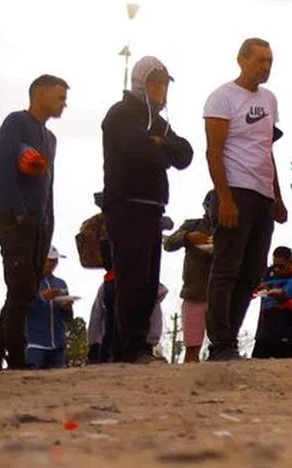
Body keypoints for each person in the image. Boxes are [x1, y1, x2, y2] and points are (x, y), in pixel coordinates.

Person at [102, 56, 193, 364]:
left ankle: (130, 347)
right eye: (156, 83)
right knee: (132, 279)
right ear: (142, 83)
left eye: (165, 84)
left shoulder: (158, 121)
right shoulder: (121, 114)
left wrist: (159, 145)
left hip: (153, 208)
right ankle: (131, 347)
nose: (161, 90)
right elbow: (136, 150)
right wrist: (158, 148)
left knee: (149, 280)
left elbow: (185, 154)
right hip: (126, 205)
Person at [203, 38, 289, 362]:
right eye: (260, 61)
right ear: (242, 60)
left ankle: (230, 338)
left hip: (262, 193)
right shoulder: (222, 97)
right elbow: (213, 151)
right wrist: (223, 197)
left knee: (253, 272)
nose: (265, 67)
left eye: (270, 61)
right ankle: (220, 342)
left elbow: (267, 148)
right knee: (227, 267)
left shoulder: (270, 99)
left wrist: (277, 196)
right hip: (234, 188)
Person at [0, 74, 68, 371]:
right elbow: (5, 167)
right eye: (59, 97)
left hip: (41, 223)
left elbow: (49, 184)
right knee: (20, 287)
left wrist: (49, 220)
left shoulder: (51, 138)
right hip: (14, 217)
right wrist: (17, 212)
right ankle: (17, 359)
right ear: (41, 94)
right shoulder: (15, 122)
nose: (64, 104)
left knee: (22, 290)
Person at [163, 191, 216, 363]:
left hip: (221, 294)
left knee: (222, 347)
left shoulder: (231, 227)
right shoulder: (192, 225)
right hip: (194, 293)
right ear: (205, 207)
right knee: (192, 348)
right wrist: (186, 237)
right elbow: (169, 243)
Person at [252, 247, 292, 359]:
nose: (277, 270)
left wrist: (284, 300)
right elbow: (251, 294)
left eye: (281, 266)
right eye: (275, 265)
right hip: (263, 332)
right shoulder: (267, 274)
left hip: (285, 330)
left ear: (290, 262)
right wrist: (258, 290)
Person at [25, 246, 73, 369]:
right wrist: (42, 297)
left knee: (56, 386)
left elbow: (68, 318)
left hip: (58, 345)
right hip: (36, 345)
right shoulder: (30, 282)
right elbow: (21, 308)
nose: (54, 264)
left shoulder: (61, 283)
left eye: (55, 260)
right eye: (50, 260)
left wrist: (67, 307)